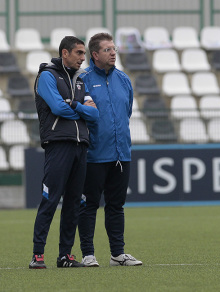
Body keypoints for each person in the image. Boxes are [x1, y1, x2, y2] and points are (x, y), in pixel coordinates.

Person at [29, 36, 99, 269]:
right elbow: (57, 107)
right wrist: (80, 110)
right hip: (58, 144)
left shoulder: (79, 81)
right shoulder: (47, 76)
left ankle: (65, 256)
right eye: (79, 53)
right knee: (50, 201)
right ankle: (37, 255)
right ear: (65, 53)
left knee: (73, 203)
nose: (83, 58)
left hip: (81, 146)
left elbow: (95, 114)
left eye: (84, 54)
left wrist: (73, 106)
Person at [78, 33, 142, 267]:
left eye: (114, 49)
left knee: (116, 206)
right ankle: (88, 254)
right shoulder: (82, 79)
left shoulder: (124, 79)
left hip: (121, 153)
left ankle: (118, 253)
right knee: (89, 205)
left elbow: (127, 113)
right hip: (93, 154)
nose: (113, 53)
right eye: (107, 50)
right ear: (94, 55)